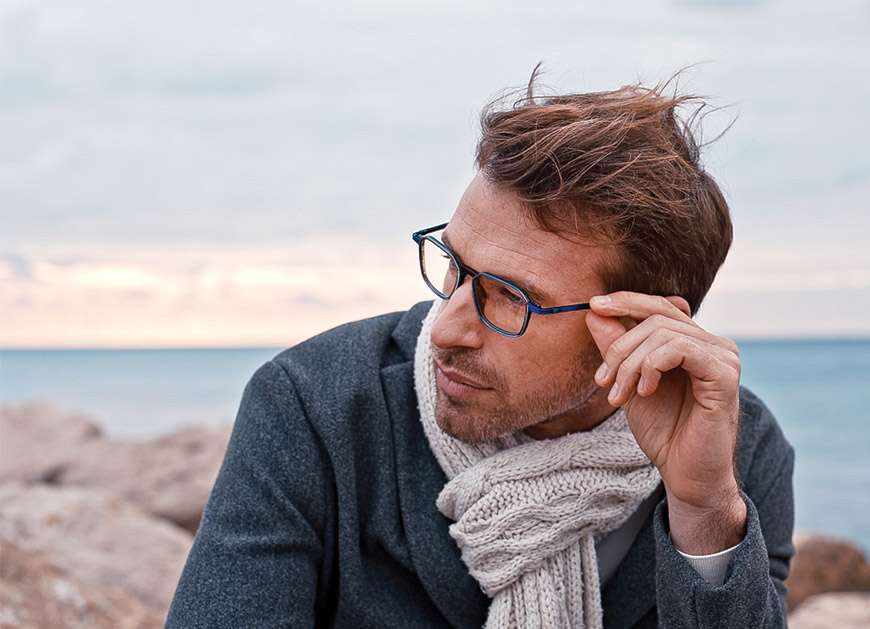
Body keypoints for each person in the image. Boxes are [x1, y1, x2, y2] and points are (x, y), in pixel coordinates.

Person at [165, 64, 795, 628]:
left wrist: (704, 513)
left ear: (634, 326)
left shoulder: (732, 451)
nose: (447, 329)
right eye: (454, 266)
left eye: (511, 297)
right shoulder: (314, 405)